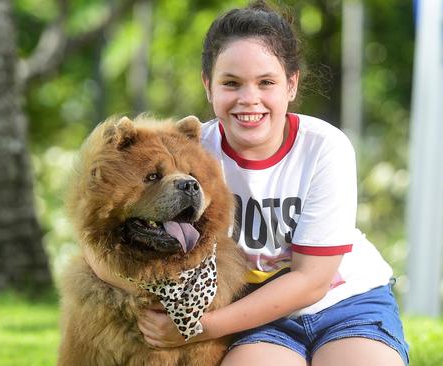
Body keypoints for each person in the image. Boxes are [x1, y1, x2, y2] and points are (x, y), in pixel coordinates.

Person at [85, 1, 409, 365]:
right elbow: (99, 236)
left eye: (266, 82)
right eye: (231, 83)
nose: (248, 99)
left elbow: (312, 281)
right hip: (255, 316)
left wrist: (195, 326)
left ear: (291, 84)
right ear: (209, 86)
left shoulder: (324, 147)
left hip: (346, 304)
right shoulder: (190, 153)